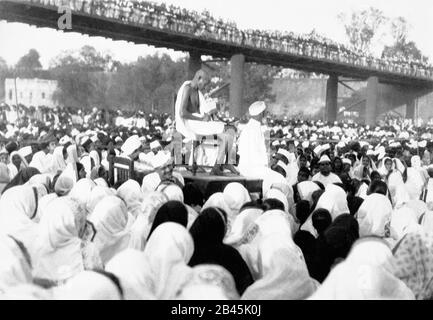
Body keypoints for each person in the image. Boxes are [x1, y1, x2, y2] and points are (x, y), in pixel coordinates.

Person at [175, 69, 237, 175]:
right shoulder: (187, 89)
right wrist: (201, 119)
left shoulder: (197, 92)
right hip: (192, 123)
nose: (205, 87)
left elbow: (202, 111)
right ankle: (220, 165)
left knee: (230, 131)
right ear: (199, 79)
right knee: (228, 131)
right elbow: (182, 113)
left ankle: (222, 164)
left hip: (199, 122)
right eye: (204, 83)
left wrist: (210, 112)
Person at [237, 101, 270, 178]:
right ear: (261, 113)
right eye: (265, 112)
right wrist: (264, 167)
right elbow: (254, 154)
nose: (266, 114)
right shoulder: (252, 129)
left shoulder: (254, 127)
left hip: (253, 167)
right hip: (251, 169)